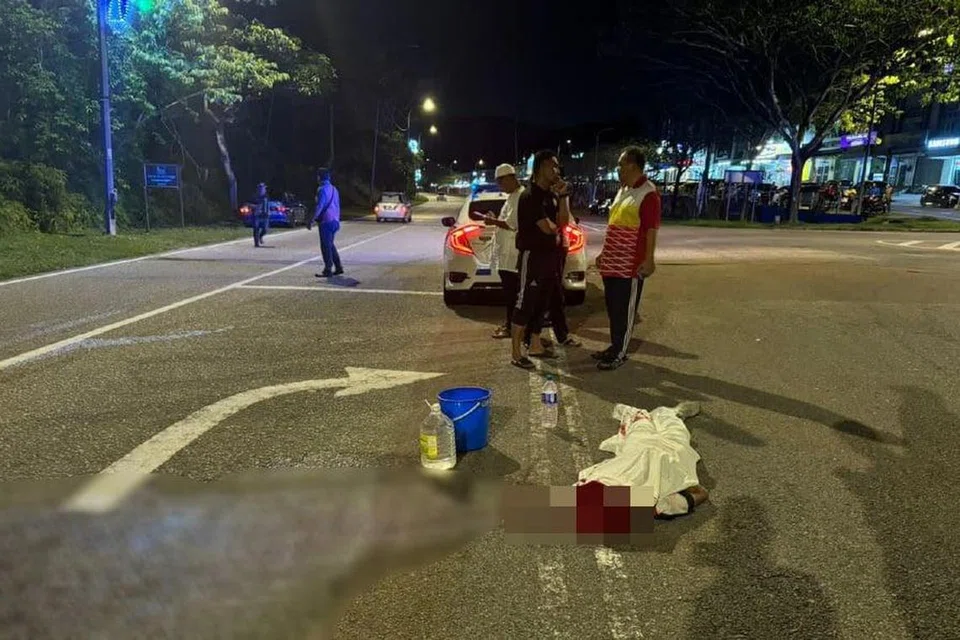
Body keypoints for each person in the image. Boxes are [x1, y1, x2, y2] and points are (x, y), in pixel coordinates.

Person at [594, 146, 661, 371]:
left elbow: (651, 229)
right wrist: (604, 253)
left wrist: (649, 259)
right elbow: (614, 225)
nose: (618, 169)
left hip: (630, 265)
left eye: (620, 164)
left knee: (625, 310)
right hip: (612, 262)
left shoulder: (648, 193)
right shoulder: (623, 190)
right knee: (613, 308)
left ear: (632, 165)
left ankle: (620, 353)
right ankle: (614, 346)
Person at [510, 150, 572, 369]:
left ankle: (535, 344)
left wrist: (564, 196)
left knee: (542, 302)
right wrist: (555, 228)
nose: (556, 170)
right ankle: (516, 352)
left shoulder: (551, 196)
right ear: (540, 169)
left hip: (550, 257)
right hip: (533, 257)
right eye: (552, 166)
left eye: (557, 166)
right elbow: (547, 228)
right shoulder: (530, 196)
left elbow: (563, 221)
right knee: (525, 302)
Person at [485, 164, 525, 339]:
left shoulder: (520, 197)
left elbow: (511, 224)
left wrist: (492, 221)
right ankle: (511, 324)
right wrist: (495, 219)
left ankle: (513, 327)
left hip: (513, 255)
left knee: (513, 295)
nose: (501, 187)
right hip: (506, 256)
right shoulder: (511, 197)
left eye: (501, 183)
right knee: (510, 294)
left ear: (509, 178)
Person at [308, 168, 343, 278]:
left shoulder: (322, 189)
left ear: (319, 177)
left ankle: (328, 269)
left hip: (326, 221)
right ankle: (338, 267)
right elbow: (337, 205)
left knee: (325, 246)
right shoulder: (334, 189)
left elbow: (320, 206)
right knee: (330, 245)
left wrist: (312, 219)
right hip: (335, 221)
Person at [253, 182, 270, 248]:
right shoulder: (254, 196)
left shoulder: (266, 196)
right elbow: (248, 204)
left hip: (265, 215)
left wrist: (268, 211)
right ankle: (256, 243)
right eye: (261, 188)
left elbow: (267, 205)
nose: (262, 190)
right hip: (257, 215)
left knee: (265, 229)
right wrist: (256, 207)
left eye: (263, 188)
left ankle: (260, 236)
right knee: (256, 228)